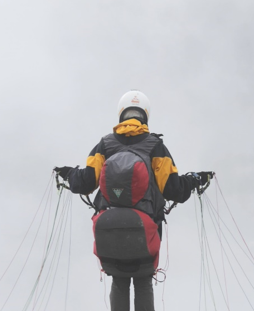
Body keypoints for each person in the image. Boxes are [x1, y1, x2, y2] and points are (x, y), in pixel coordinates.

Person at [54, 90, 213, 311]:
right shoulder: (155, 146)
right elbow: (173, 189)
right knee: (143, 280)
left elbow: (86, 182)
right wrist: (196, 179)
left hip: (109, 227)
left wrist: (68, 173)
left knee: (119, 280)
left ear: (121, 113)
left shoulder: (105, 145)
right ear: (145, 115)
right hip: (146, 225)